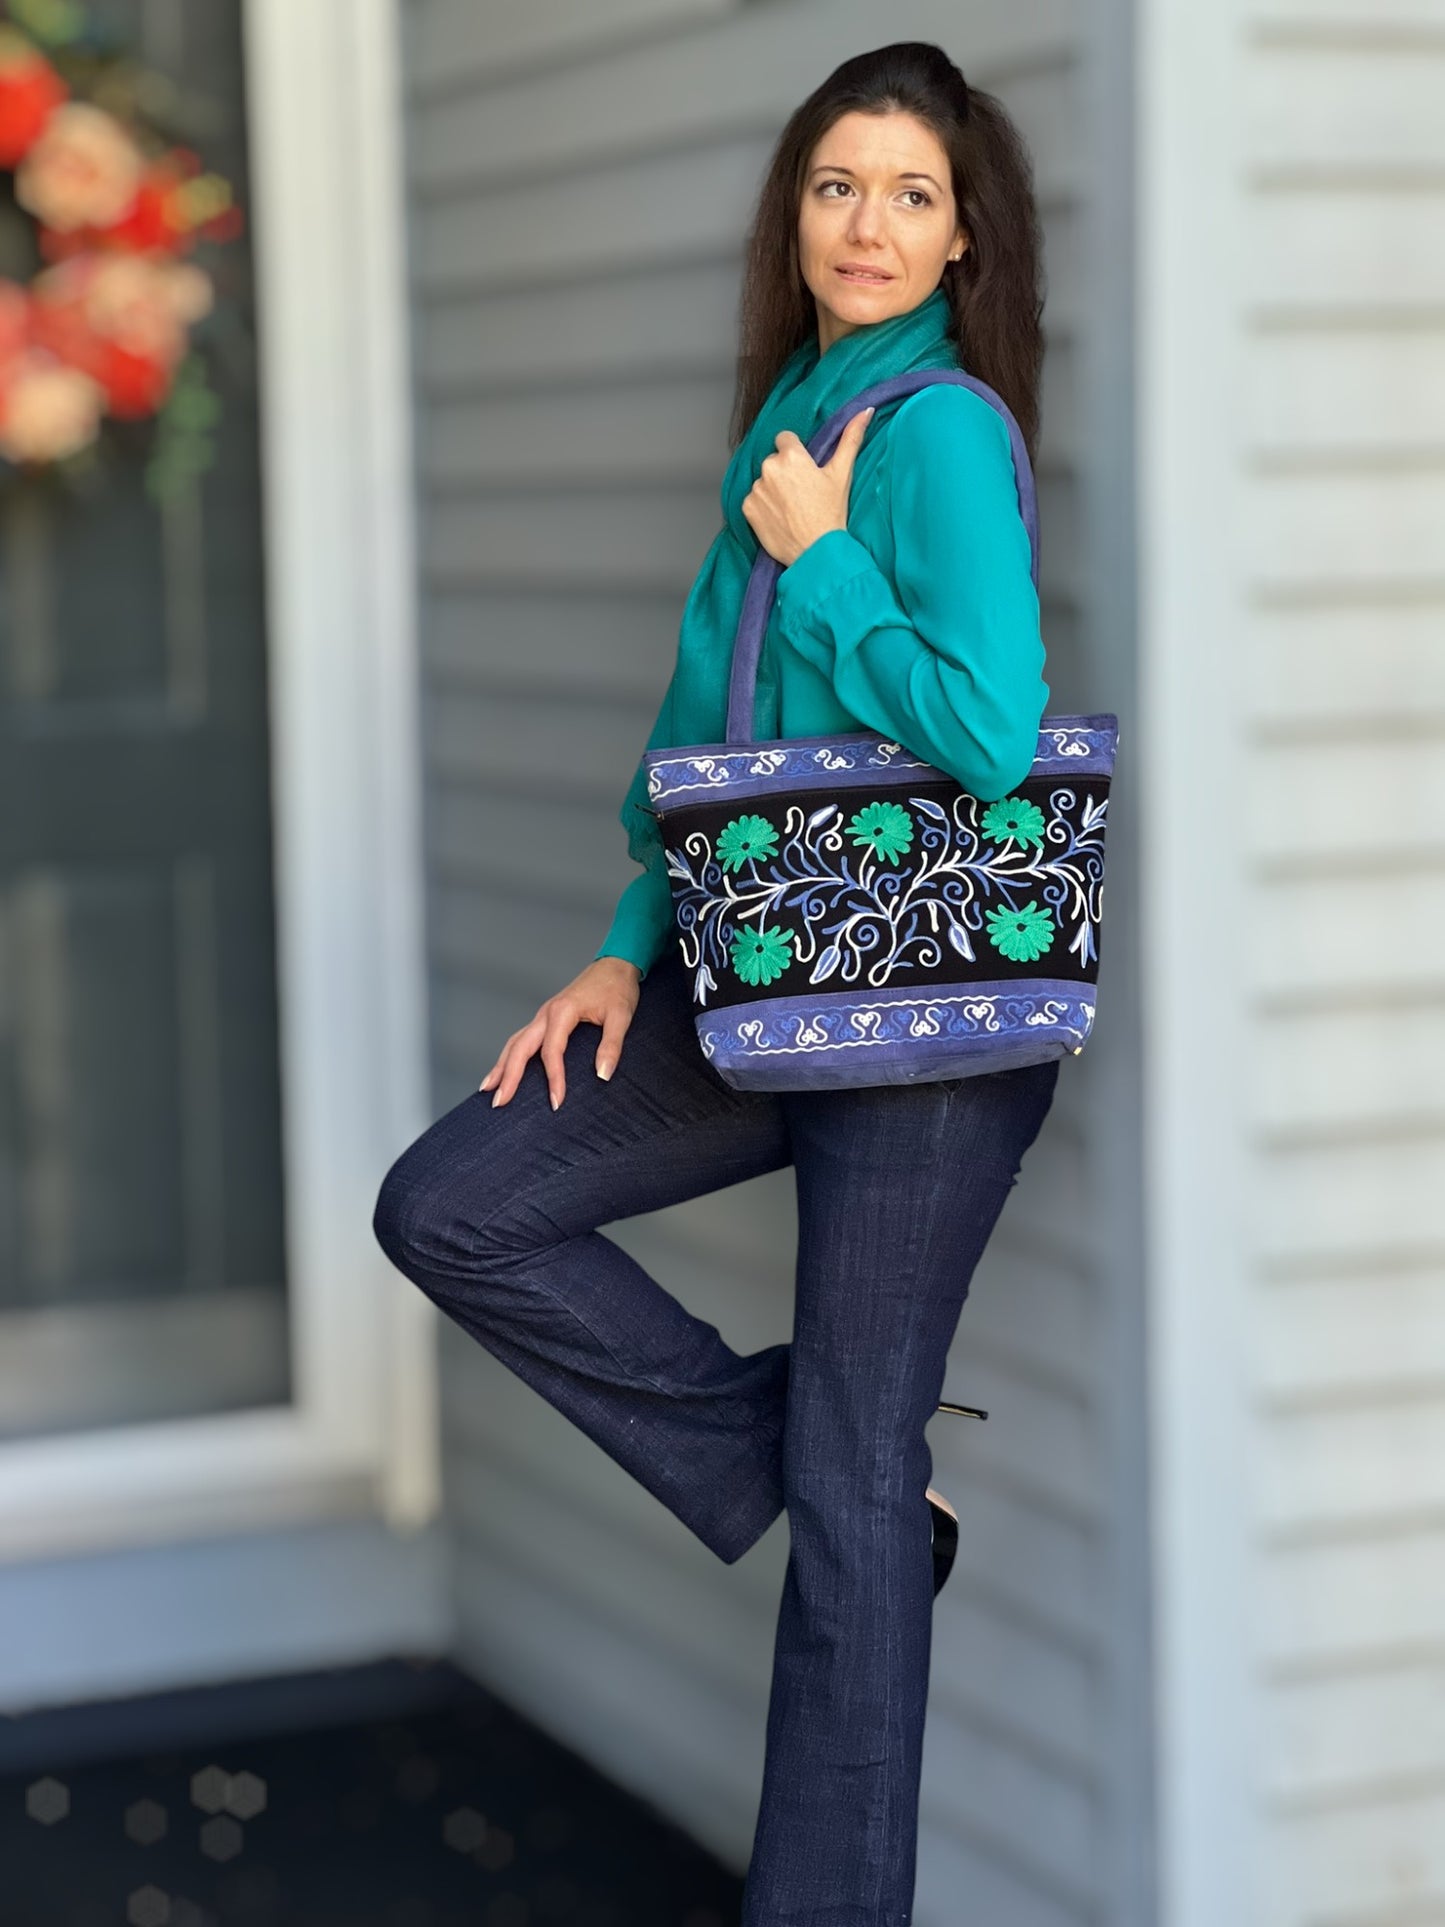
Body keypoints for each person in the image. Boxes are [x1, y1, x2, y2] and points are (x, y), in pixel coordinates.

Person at [374, 39, 1060, 1926]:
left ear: (962, 238)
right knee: (454, 1206)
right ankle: (833, 1465)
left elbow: (988, 734)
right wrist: (623, 951)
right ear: (794, 213)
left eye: (910, 195)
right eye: (837, 186)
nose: (867, 225)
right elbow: (709, 741)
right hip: (756, 967)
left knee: (851, 1501)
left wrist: (826, 561)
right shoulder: (790, 420)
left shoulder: (931, 433)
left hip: (922, 1018)